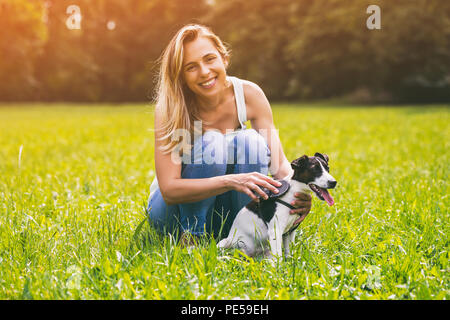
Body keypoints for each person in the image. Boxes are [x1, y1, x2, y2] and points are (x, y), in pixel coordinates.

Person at [147, 24, 311, 243]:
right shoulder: (172, 107)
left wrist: (299, 194)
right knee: (212, 142)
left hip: (225, 212)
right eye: (191, 67)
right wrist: (230, 181)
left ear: (223, 58)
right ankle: (193, 237)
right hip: (173, 214)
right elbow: (169, 189)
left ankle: (244, 237)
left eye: (209, 59)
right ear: (181, 76)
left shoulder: (249, 94)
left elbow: (280, 167)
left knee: (251, 141)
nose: (204, 71)